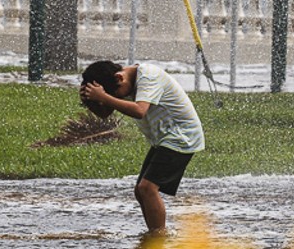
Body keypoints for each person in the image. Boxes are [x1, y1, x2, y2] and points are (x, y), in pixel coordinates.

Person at [79, 60, 205, 237]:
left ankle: (159, 236)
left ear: (119, 77)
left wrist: (104, 97)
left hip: (182, 136)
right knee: (140, 190)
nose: (118, 98)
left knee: (147, 188)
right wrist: (91, 100)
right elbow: (106, 113)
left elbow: (140, 111)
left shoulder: (148, 76)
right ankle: (154, 233)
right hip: (164, 139)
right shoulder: (122, 82)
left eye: (115, 94)